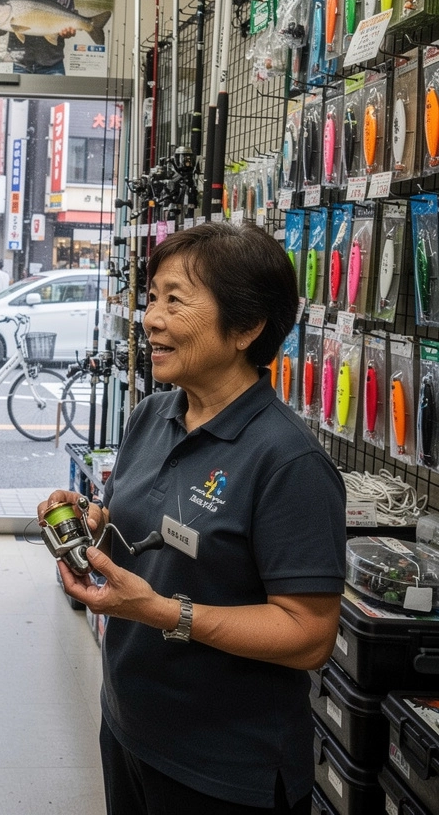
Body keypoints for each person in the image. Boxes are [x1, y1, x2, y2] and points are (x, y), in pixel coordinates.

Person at [38, 222, 345, 815]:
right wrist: (94, 526)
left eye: (174, 301)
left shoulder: (289, 461)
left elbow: (309, 635)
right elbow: (158, 533)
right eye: (152, 298)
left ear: (247, 327)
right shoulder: (154, 413)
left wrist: (160, 613)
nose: (150, 318)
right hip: (130, 726)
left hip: (227, 769)